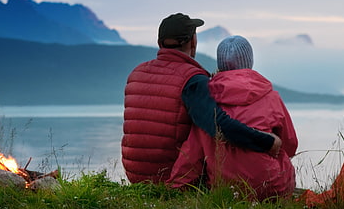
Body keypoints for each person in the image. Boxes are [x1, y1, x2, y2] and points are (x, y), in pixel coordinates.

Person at [121, 14, 281, 184]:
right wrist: (267, 141)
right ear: (193, 42)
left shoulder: (137, 73)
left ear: (160, 43)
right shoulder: (192, 79)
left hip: (136, 176)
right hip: (171, 176)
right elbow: (219, 126)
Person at [168, 35, 298, 199]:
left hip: (226, 189)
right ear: (249, 61)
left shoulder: (207, 103)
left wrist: (175, 187)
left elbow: (192, 152)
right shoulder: (271, 96)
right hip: (272, 187)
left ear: (220, 64)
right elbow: (290, 144)